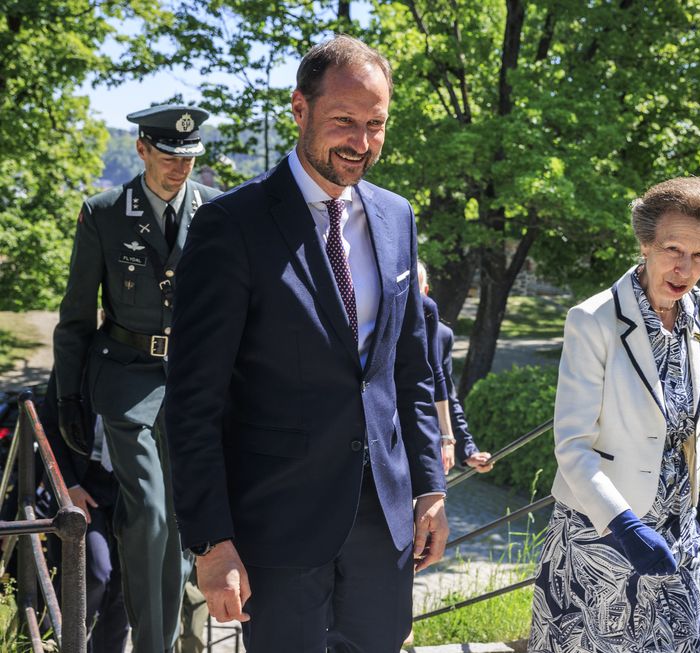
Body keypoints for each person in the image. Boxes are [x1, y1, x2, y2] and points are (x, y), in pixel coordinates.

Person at [164, 35, 449, 653]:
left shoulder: (397, 216)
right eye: (344, 121)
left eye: (376, 124)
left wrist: (430, 486)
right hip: (277, 522)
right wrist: (211, 543)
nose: (361, 142)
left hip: (385, 522)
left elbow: (410, 369)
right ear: (300, 109)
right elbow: (192, 401)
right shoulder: (230, 227)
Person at [528, 177, 700, 651]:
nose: (685, 268)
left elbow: (697, 420)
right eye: (672, 248)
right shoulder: (592, 320)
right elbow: (572, 446)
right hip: (600, 534)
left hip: (676, 534)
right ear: (645, 243)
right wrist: (624, 525)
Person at [52, 104, 221, 653]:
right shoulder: (103, 213)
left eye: (190, 156)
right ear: (142, 149)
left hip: (192, 381)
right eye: (169, 155)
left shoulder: (215, 213)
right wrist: (69, 394)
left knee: (176, 520)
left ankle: (161, 642)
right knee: (148, 511)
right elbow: (76, 315)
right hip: (125, 377)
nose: (181, 167)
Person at [39, 372, 129, 653]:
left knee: (124, 588)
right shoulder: (75, 361)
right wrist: (70, 485)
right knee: (96, 573)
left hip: (129, 488)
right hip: (83, 484)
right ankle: (72, 644)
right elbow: (48, 427)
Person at [417, 262, 492, 473]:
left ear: (426, 292)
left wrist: (468, 450)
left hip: (423, 443)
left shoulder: (442, 335)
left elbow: (446, 394)